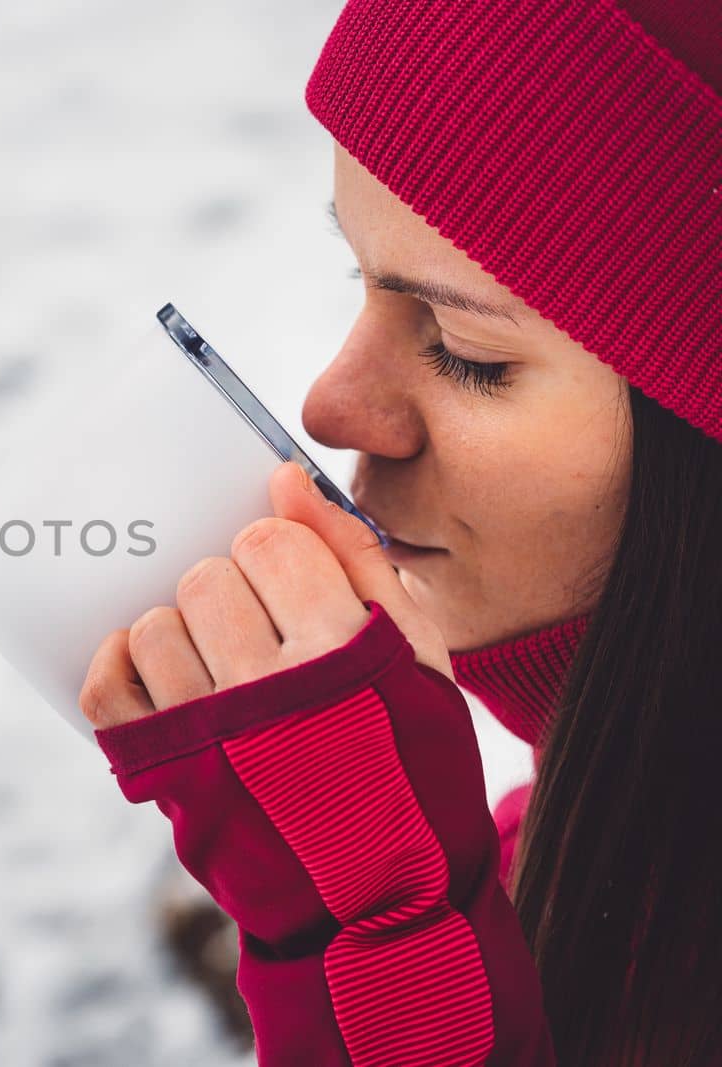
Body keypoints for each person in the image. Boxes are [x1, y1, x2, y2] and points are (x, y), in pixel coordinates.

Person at [78, 0, 722, 1063]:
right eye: (361, 280)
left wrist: (373, 931)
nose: (332, 404)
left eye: (468, 349)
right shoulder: (593, 837)